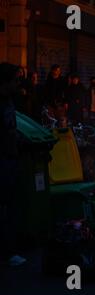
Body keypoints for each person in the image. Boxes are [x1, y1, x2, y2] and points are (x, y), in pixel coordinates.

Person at [0, 62, 26, 266]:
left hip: (10, 157)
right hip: (4, 159)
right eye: (15, 80)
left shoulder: (9, 100)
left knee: (11, 204)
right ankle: (8, 252)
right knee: (7, 207)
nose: (19, 83)